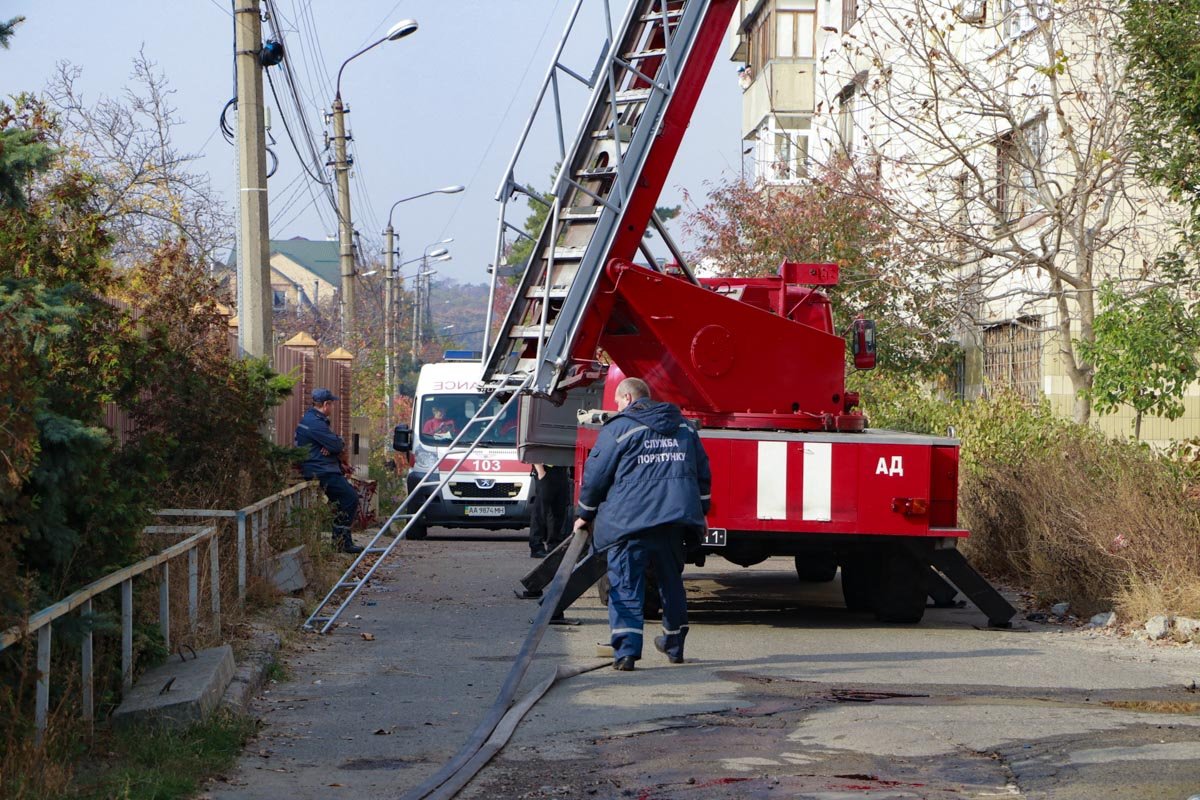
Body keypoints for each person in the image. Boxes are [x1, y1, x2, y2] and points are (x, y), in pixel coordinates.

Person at [573, 377, 711, 671]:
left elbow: (597, 475)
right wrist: (702, 512)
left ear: (626, 398)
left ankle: (626, 652)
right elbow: (701, 473)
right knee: (671, 583)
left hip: (629, 523)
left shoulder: (619, 428)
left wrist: (585, 513)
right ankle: (674, 645)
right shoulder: (684, 428)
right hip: (672, 521)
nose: (618, 407)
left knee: (625, 585)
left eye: (618, 402)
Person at [295, 388, 363, 554]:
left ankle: (341, 541)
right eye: (331, 404)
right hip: (321, 470)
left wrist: (332, 445)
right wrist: (333, 445)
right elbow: (337, 445)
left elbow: (335, 443)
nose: (332, 408)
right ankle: (341, 542)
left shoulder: (312, 419)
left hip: (320, 467)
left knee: (343, 500)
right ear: (326, 404)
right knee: (349, 498)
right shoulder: (316, 423)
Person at [528, 463, 571, 558]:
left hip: (561, 471)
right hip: (546, 471)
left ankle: (554, 546)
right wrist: (541, 471)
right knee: (540, 511)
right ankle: (536, 547)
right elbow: (535, 454)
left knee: (558, 511)